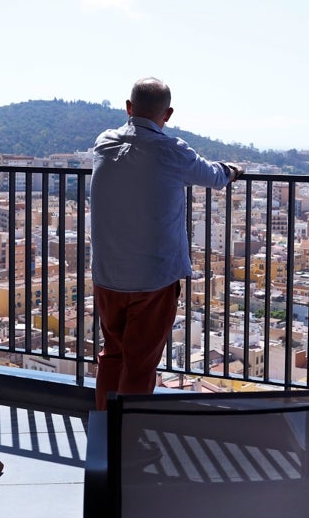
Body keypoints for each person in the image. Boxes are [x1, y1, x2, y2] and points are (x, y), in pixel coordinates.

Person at [89, 77, 243, 413]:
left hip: (106, 274)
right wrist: (232, 169)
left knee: (111, 356)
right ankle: (128, 438)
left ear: (128, 108)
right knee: (140, 364)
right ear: (168, 114)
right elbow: (215, 177)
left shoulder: (104, 143)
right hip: (151, 277)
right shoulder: (172, 150)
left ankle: (103, 428)